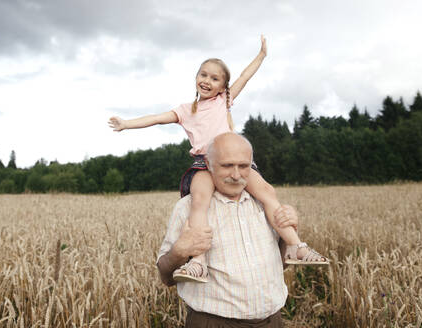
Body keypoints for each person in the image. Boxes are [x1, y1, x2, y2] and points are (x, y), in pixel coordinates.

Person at [109, 36, 328, 283]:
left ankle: (295, 246)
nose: (207, 81)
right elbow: (157, 118)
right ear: (196, 78)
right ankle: (199, 262)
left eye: (214, 78)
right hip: (204, 162)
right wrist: (126, 124)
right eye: (203, 75)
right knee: (199, 201)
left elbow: (245, 76)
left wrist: (262, 55)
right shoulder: (185, 110)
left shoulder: (223, 101)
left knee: (267, 191)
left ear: (223, 87)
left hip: (232, 157)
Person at [157, 132, 308, 327]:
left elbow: (280, 265)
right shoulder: (188, 208)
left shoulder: (265, 205)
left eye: (243, 166)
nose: (236, 175)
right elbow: (166, 277)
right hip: (213, 323)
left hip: (273, 321)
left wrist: (290, 234)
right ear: (209, 166)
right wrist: (179, 251)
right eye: (227, 166)